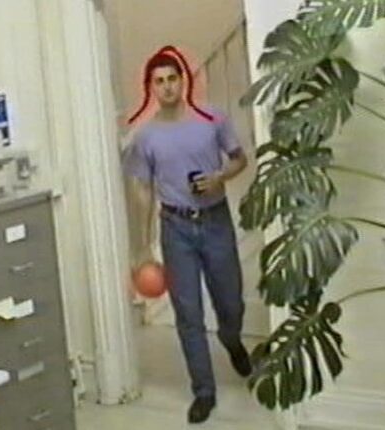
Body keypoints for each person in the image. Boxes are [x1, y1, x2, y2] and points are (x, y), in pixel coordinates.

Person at [123, 45, 251, 424]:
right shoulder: (145, 137)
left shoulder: (213, 120)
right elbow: (142, 191)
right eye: (158, 81)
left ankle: (232, 341)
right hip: (175, 227)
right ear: (151, 87)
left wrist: (219, 177)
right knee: (189, 314)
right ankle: (204, 391)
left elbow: (240, 159)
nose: (166, 87)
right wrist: (142, 246)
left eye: (172, 79)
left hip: (215, 221)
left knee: (231, 303)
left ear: (184, 81)